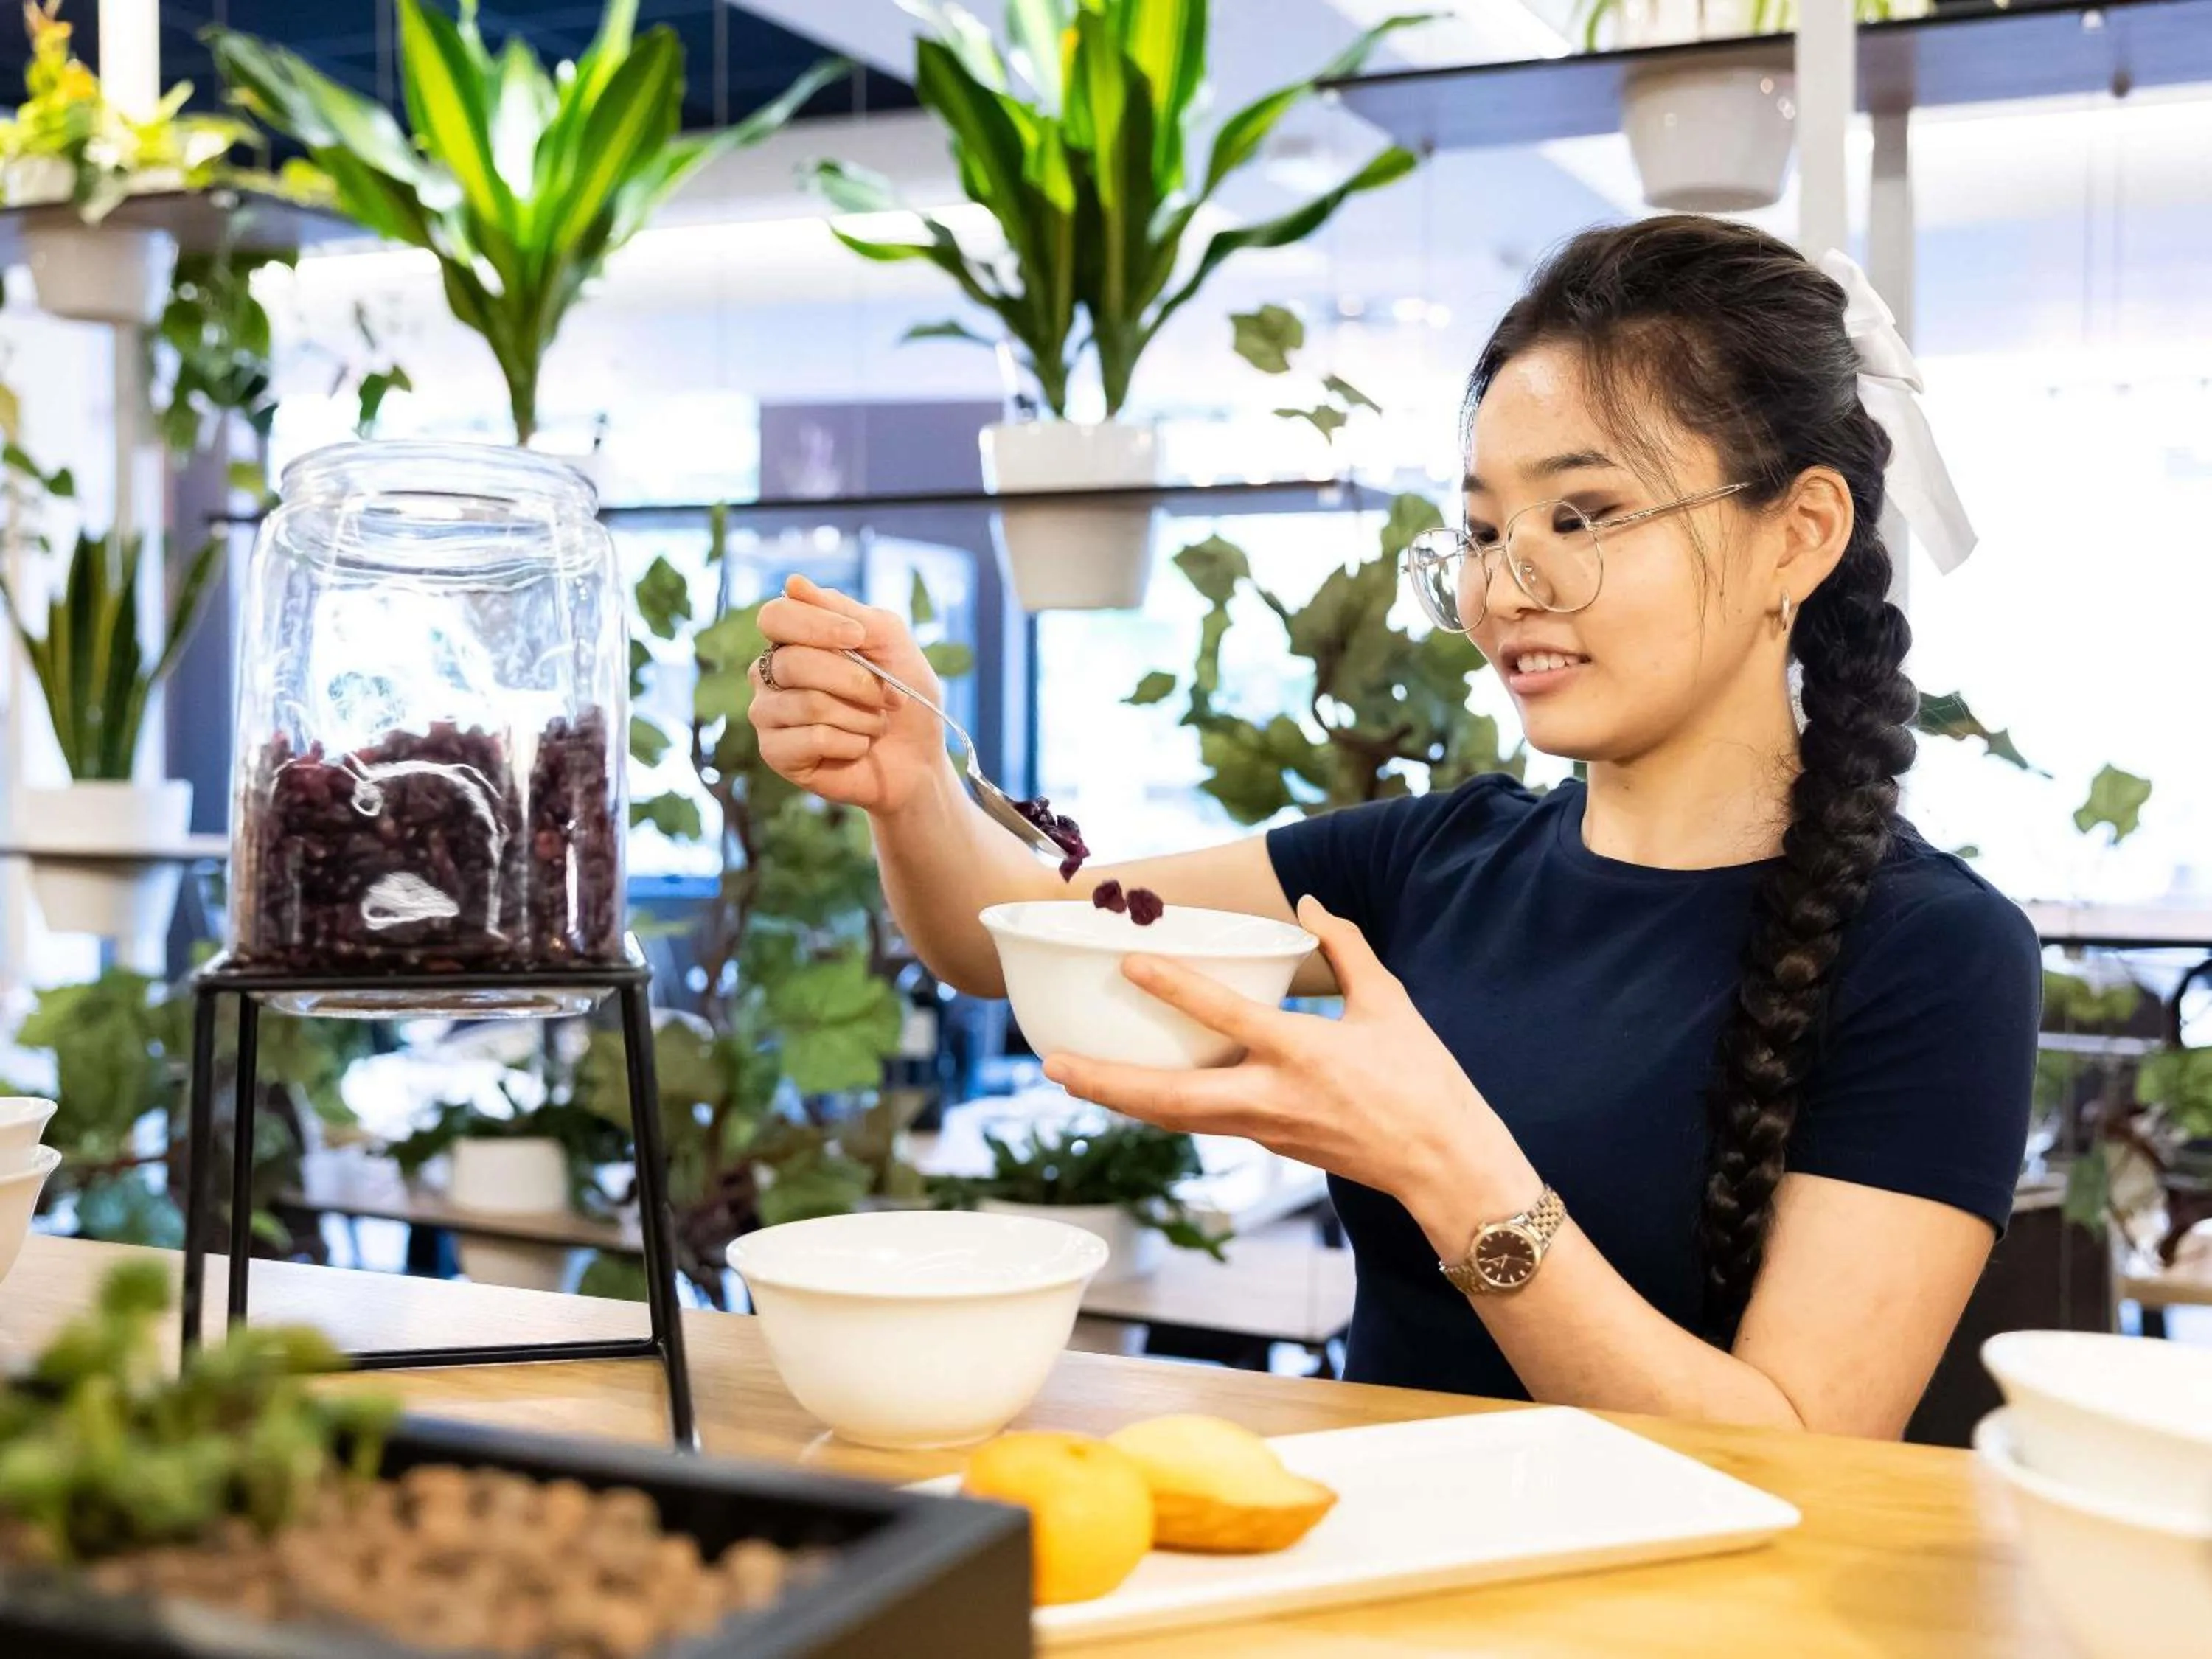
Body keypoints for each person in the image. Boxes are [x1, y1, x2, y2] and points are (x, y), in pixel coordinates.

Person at [745, 215, 2040, 1439]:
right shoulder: (1430, 862)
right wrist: (911, 781)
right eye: (1481, 530)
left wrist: (1448, 1166)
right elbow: (1012, 935)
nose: (1505, 588)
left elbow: (1803, 1454)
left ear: (1799, 535)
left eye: (1582, 515)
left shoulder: (1936, 953)